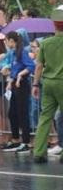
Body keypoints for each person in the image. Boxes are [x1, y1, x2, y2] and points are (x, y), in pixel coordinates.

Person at [31, 18, 63, 163]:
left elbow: (39, 66)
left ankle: (39, 152)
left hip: (48, 83)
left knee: (45, 117)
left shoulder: (45, 43)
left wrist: (35, 84)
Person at [3, 29, 34, 152]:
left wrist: (21, 74)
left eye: (6, 41)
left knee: (23, 113)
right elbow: (14, 69)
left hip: (22, 85)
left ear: (11, 41)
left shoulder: (22, 52)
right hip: (14, 85)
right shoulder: (13, 53)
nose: (6, 43)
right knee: (12, 113)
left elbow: (30, 66)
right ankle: (15, 139)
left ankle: (25, 142)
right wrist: (10, 80)